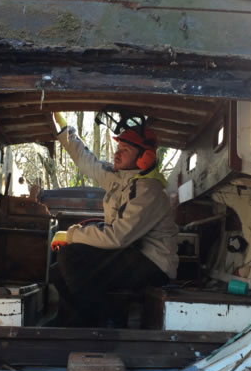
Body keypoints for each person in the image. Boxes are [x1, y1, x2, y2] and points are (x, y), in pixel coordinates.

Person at [50, 112, 178, 327]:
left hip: (154, 264)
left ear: (143, 158)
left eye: (125, 150)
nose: (117, 155)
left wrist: (71, 235)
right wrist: (65, 132)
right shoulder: (121, 178)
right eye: (118, 149)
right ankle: (69, 321)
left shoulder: (149, 190)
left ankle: (103, 321)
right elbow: (86, 161)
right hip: (131, 253)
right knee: (56, 271)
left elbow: (117, 237)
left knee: (71, 256)